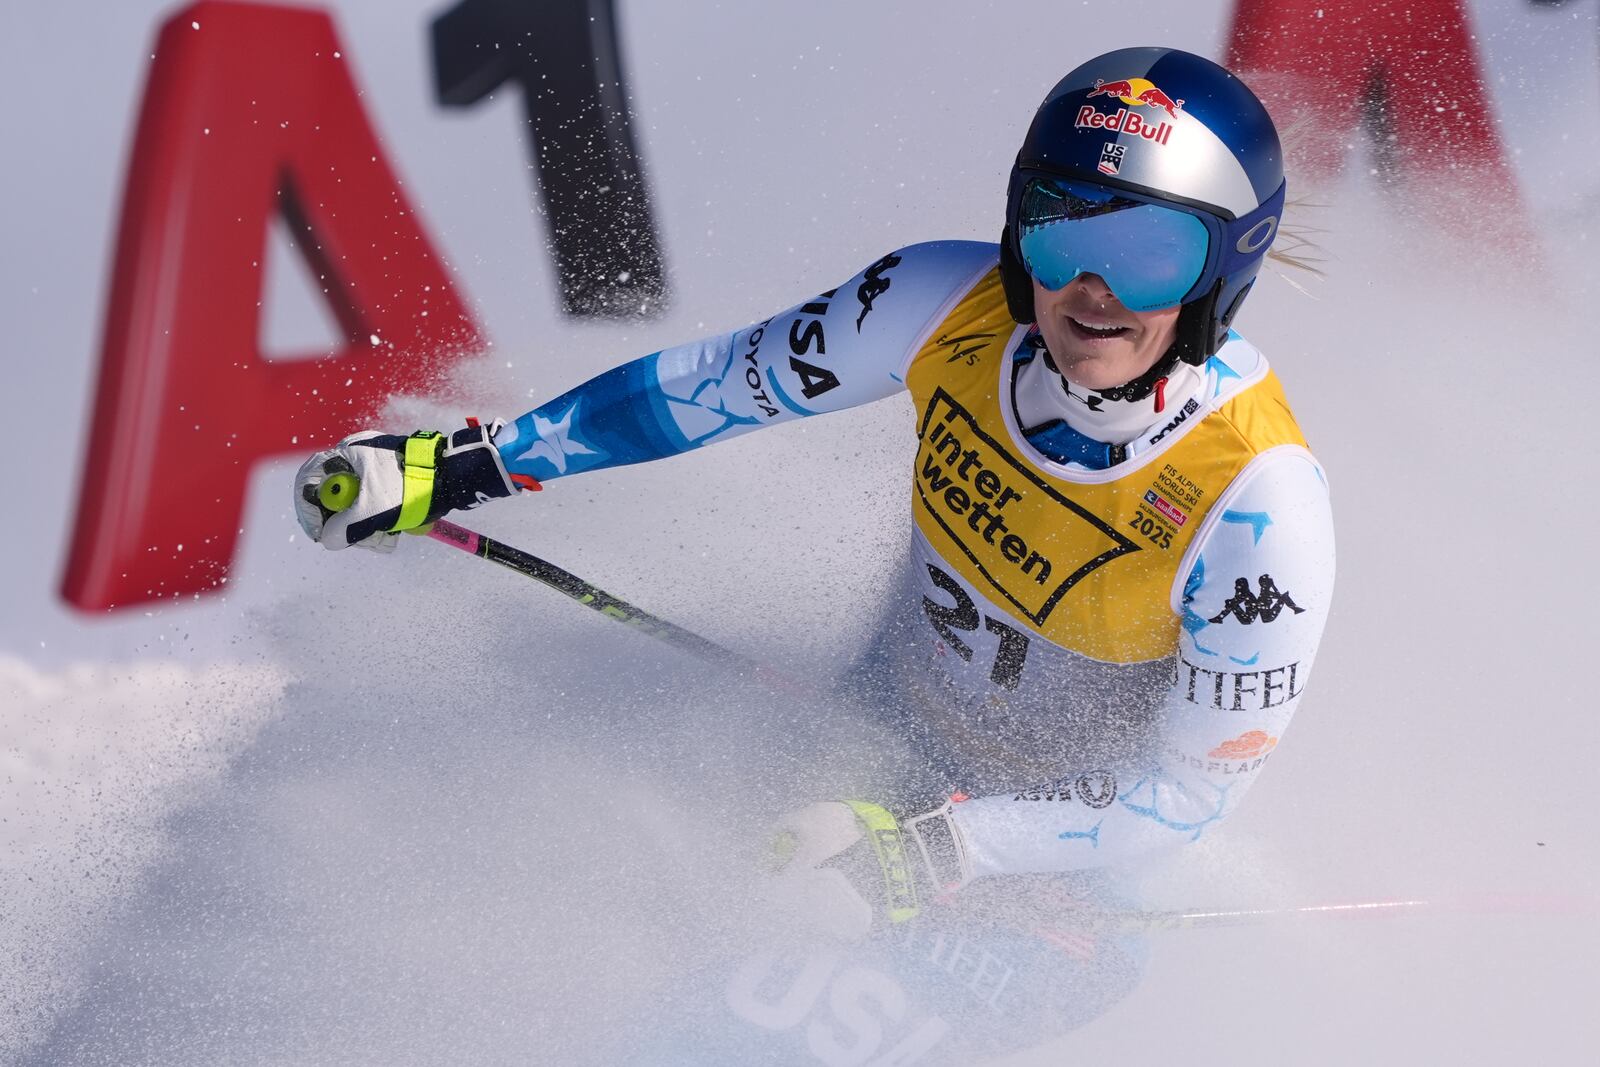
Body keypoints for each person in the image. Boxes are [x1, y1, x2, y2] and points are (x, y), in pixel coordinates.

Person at [295, 46, 1333, 957]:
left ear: (1223, 268)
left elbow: (1188, 793)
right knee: (605, 919)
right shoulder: (944, 304)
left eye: (1152, 252)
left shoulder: (1255, 506)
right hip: (867, 745)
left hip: (1053, 890)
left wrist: (940, 850)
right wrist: (459, 464)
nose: (1092, 291)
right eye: (1061, 230)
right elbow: (707, 392)